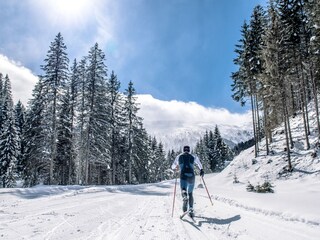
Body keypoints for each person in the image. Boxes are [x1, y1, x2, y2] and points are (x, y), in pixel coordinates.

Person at [171, 145, 204, 217]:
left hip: (183, 176)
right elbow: (199, 164)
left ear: (183, 150)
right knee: (190, 193)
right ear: (189, 150)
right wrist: (201, 170)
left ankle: (184, 197)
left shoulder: (179, 156)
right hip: (192, 176)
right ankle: (191, 209)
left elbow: (172, 166)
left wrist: (176, 168)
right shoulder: (193, 156)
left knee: (183, 189)